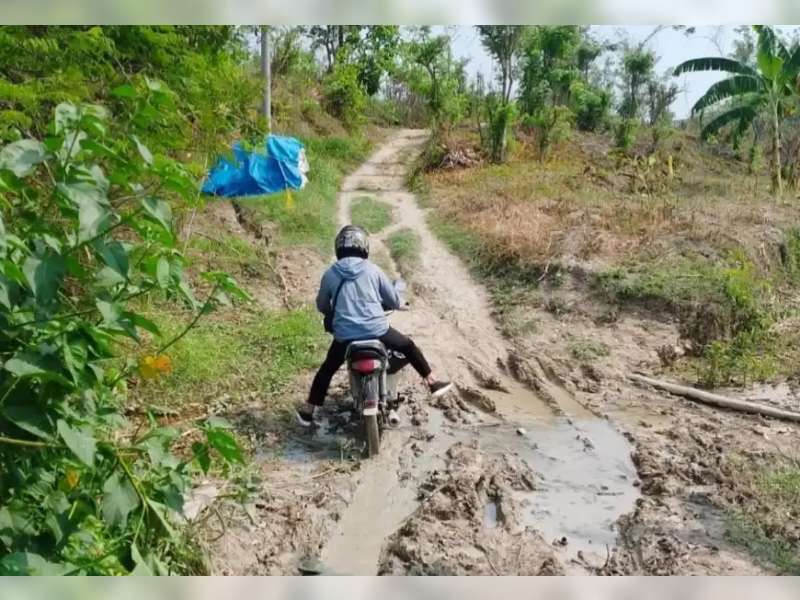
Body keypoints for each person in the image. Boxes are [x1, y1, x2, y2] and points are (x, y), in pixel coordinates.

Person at [296, 224, 452, 426]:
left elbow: (322, 304)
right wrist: (401, 304)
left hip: (345, 336)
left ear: (338, 248)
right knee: (408, 346)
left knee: (327, 369)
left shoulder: (330, 274)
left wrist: (334, 312)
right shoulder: (373, 270)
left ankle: (309, 410)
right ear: (364, 246)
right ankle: (432, 382)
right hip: (378, 331)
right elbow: (394, 300)